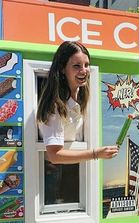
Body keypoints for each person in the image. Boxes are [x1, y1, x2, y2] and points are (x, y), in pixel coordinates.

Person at [37, 41, 119, 203]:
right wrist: (96, 154)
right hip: (53, 174)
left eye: (86, 65)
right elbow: (54, 155)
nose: (84, 71)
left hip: (75, 172)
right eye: (77, 66)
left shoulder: (83, 96)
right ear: (62, 68)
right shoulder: (54, 106)